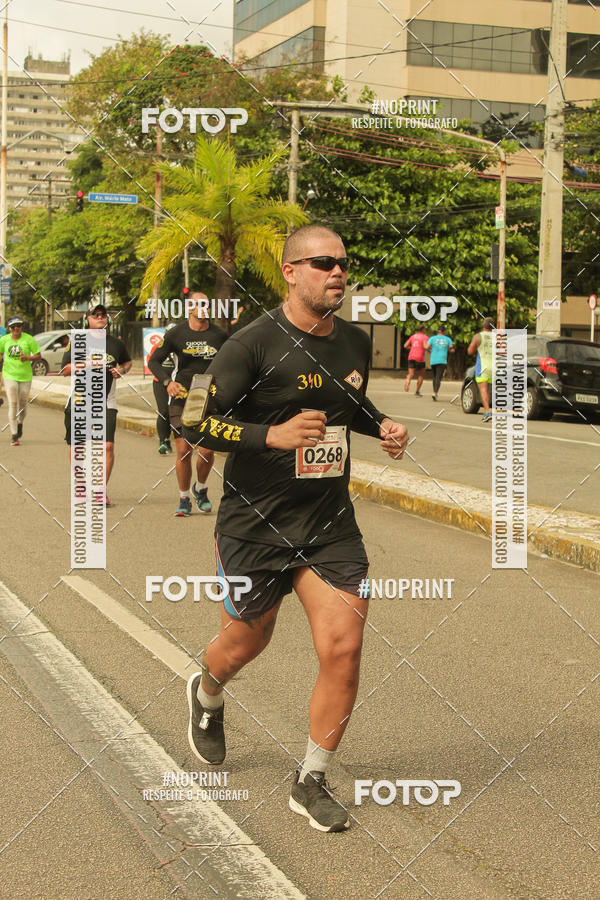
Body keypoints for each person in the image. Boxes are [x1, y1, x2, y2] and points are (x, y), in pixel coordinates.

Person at [184, 225, 409, 833]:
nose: (337, 273)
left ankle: (311, 779)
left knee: (344, 647)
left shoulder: (354, 342)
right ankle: (207, 692)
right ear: (290, 272)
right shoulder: (248, 345)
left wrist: (382, 425)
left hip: (329, 525)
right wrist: (271, 435)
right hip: (254, 525)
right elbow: (194, 422)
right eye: (322, 262)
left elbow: (349, 406)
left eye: (343, 263)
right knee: (245, 643)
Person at [148, 292, 227, 517]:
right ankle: (183, 498)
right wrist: (168, 382)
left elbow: (231, 362)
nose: (204, 308)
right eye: (198, 304)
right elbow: (154, 361)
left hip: (209, 396)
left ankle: (200, 489)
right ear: (189, 308)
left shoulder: (220, 335)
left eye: (207, 304)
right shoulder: (176, 333)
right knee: (184, 450)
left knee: (207, 450)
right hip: (182, 396)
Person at [61, 304, 132, 505]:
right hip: (80, 401)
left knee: (107, 446)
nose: (100, 317)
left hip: (106, 401)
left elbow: (127, 362)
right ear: (88, 320)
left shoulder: (116, 344)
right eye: (96, 315)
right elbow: (65, 370)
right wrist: (88, 364)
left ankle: (100, 490)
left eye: (103, 315)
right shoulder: (78, 341)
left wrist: (122, 371)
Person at [0, 316, 41, 445]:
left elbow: (38, 356)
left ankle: (20, 423)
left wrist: (28, 358)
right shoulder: (4, 340)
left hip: (25, 376)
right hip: (9, 375)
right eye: (13, 327)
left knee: (23, 405)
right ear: (9, 328)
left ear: (22, 327)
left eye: (18, 326)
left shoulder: (29, 339)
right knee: (13, 403)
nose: (16, 328)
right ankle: (14, 435)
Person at [148, 323, 176, 455]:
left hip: (177, 383)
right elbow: (152, 362)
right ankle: (163, 441)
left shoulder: (181, 347)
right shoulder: (159, 346)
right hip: (160, 383)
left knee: (176, 412)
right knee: (163, 411)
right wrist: (164, 379)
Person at [467, 316, 494, 423]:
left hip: (483, 367)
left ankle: (487, 411)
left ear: (483, 325)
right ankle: (489, 409)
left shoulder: (478, 336)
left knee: (483, 390)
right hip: (495, 367)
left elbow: (470, 351)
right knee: (489, 390)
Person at [426, 325, 454, 401]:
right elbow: (451, 349)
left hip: (433, 360)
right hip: (442, 360)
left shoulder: (432, 338)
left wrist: (430, 351)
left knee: (435, 376)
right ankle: (435, 393)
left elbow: (427, 347)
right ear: (444, 331)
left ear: (437, 331)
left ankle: (434, 392)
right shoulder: (448, 339)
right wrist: (450, 351)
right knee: (438, 377)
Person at [403, 324, 428, 396]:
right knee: (421, 375)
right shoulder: (425, 337)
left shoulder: (413, 336)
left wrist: (412, 348)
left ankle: (408, 381)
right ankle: (417, 391)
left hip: (411, 356)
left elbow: (405, 345)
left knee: (411, 374)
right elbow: (425, 346)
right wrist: (429, 350)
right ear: (423, 330)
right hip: (420, 357)